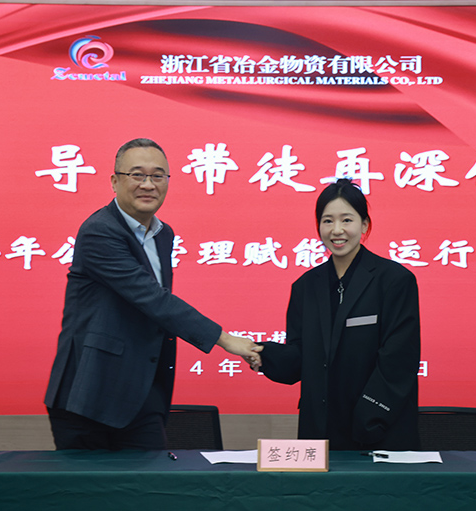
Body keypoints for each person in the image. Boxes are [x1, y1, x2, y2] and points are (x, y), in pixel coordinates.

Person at [44, 138, 262, 450]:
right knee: (93, 484)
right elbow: (152, 299)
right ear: (115, 181)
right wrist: (226, 340)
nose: (148, 184)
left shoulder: (163, 234)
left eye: (158, 176)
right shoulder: (99, 231)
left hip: (141, 392)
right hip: (90, 393)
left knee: (152, 479)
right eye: (137, 175)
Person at [256, 178, 421, 450]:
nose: (336, 230)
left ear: (364, 225)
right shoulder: (304, 287)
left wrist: (369, 415)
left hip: (378, 430)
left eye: (347, 220)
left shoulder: (395, 280)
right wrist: (261, 354)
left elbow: (399, 359)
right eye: (327, 221)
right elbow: (300, 358)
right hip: (319, 432)